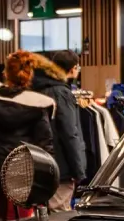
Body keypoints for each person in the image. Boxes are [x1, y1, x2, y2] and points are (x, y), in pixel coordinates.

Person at [0, 51, 56, 219]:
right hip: (24, 167)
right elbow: (44, 141)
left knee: (2, 214)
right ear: (29, 73)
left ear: (6, 72)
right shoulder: (37, 104)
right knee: (23, 219)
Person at [32, 51, 87, 210]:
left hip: (42, 162)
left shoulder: (39, 89)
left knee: (47, 211)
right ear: (73, 68)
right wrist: (78, 170)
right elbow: (69, 133)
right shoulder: (61, 92)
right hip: (62, 165)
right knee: (59, 212)